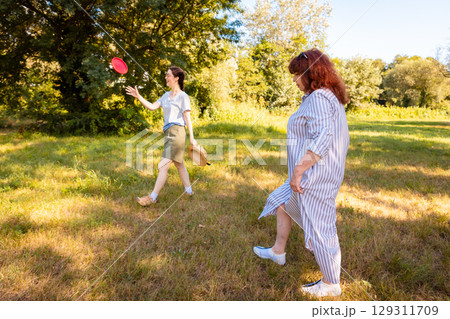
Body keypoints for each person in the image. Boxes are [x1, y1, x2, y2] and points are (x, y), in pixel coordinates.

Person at [253, 48, 350, 298]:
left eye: (297, 75)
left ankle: (331, 284)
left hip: (314, 176)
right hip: (316, 171)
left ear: (311, 73)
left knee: (321, 228)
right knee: (282, 201)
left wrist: (298, 172)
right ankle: (278, 251)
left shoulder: (319, 98)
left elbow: (323, 138)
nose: (294, 80)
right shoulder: (326, 96)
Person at [126, 66, 198, 205]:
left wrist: (192, 137)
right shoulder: (165, 96)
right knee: (179, 164)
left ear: (176, 78)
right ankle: (189, 192)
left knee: (163, 165)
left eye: (168, 75)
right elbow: (152, 106)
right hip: (168, 133)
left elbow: (187, 118)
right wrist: (138, 96)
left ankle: (152, 197)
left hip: (177, 132)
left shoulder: (183, 96)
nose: (166, 77)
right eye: (166, 75)